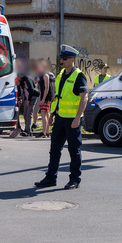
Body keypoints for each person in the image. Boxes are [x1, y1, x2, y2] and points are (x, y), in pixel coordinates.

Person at [34, 45, 88, 190]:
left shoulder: (78, 76)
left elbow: (84, 97)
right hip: (60, 118)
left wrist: (77, 118)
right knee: (54, 149)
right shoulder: (60, 75)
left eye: (64, 58)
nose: (61, 60)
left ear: (72, 59)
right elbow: (56, 97)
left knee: (74, 150)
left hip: (73, 120)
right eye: (61, 58)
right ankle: (51, 178)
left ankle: (75, 179)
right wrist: (52, 115)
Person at [33, 60, 52, 138]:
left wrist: (43, 99)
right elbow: (35, 82)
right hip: (44, 96)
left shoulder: (45, 75)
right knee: (46, 114)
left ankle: (44, 132)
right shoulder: (40, 76)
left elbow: (47, 87)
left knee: (43, 113)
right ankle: (46, 132)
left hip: (46, 97)